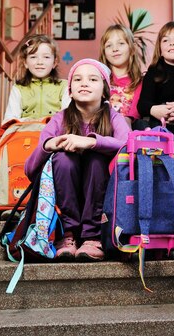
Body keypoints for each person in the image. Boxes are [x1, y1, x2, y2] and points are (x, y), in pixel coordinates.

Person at [24, 58, 131, 262]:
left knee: (97, 159)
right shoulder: (60, 118)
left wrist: (91, 142)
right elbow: (30, 170)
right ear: (70, 91)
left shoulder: (114, 117)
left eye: (92, 79)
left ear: (105, 91)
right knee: (64, 159)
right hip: (66, 198)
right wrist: (48, 145)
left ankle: (92, 236)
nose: (84, 83)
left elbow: (127, 146)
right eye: (78, 79)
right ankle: (67, 235)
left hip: (100, 201)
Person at [2, 34, 70, 124]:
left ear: (54, 62)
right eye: (33, 57)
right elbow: (9, 120)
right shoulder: (18, 88)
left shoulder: (64, 86)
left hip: (55, 134)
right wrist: (31, 121)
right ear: (25, 62)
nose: (40, 62)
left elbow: (68, 118)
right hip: (26, 133)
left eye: (46, 57)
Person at [98, 24, 143, 127]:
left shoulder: (139, 81)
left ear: (132, 48)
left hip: (128, 128)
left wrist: (127, 121)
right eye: (109, 45)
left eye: (121, 43)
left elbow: (136, 109)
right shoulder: (100, 80)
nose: (115, 49)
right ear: (104, 52)